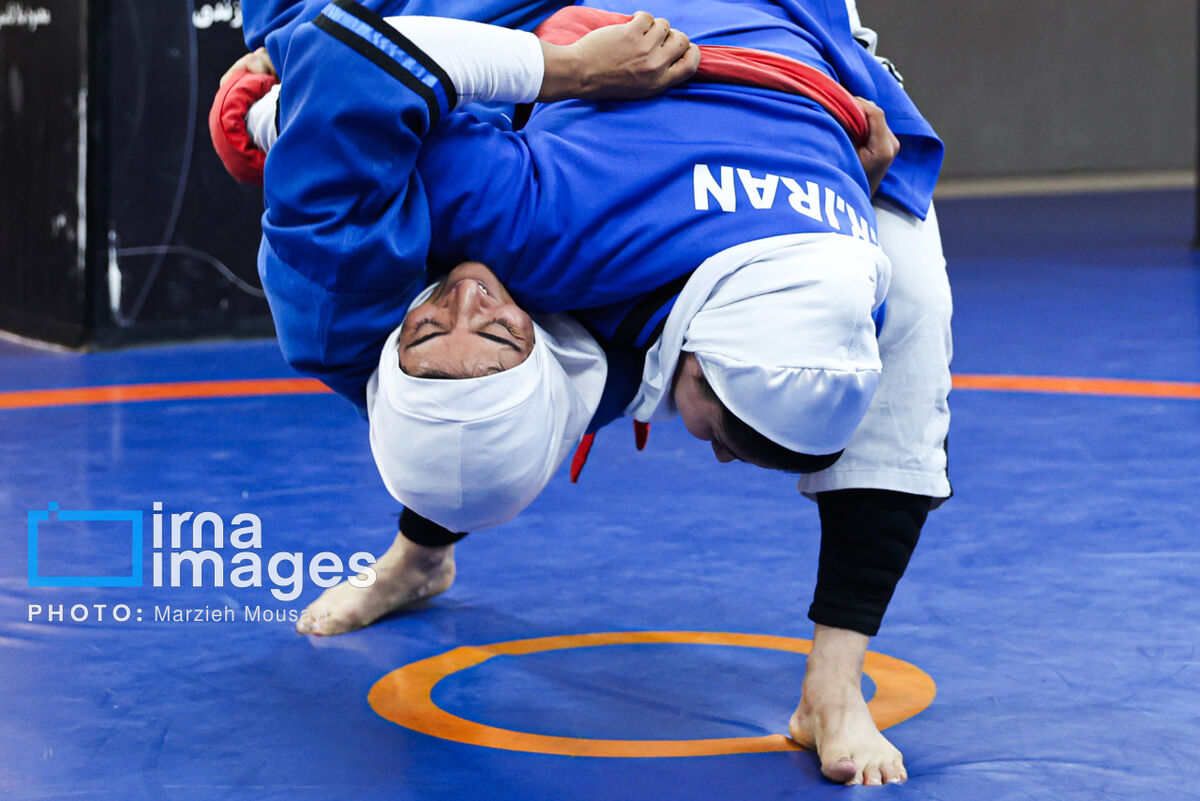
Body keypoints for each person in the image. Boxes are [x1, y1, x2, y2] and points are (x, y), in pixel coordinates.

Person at [217, 0, 949, 785]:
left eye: (428, 331)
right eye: (502, 333)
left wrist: (571, 70)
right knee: (482, 406)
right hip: (730, 91)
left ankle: (834, 684)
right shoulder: (521, 233)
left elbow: (346, 71)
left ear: (392, 350)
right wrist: (834, 166)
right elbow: (355, 65)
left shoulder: (358, 282)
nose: (469, 298)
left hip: (687, 74)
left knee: (908, 306)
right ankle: (420, 554)